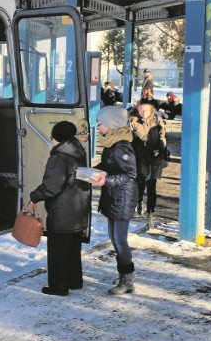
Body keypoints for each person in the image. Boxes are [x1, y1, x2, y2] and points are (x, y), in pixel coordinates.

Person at [29, 121, 90, 297]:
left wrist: (34, 196)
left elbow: (52, 186)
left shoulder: (58, 158)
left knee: (58, 251)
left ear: (57, 138)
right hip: (78, 208)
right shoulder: (78, 151)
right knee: (72, 248)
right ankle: (74, 281)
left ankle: (58, 286)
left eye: (52, 137)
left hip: (63, 211)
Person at [93, 106, 138, 295]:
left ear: (111, 125)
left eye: (100, 123)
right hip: (115, 197)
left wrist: (107, 179)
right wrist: (95, 169)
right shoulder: (112, 143)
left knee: (120, 240)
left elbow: (130, 173)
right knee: (114, 238)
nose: (98, 127)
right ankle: (125, 274)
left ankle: (127, 280)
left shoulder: (121, 146)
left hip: (122, 198)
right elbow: (109, 164)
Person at [129, 98, 167, 228]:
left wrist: (160, 148)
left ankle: (150, 213)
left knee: (152, 187)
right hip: (139, 157)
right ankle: (139, 203)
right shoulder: (133, 121)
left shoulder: (157, 121)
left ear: (152, 110)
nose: (143, 112)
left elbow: (162, 136)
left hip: (154, 158)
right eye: (140, 110)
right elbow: (128, 137)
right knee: (139, 184)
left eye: (145, 110)